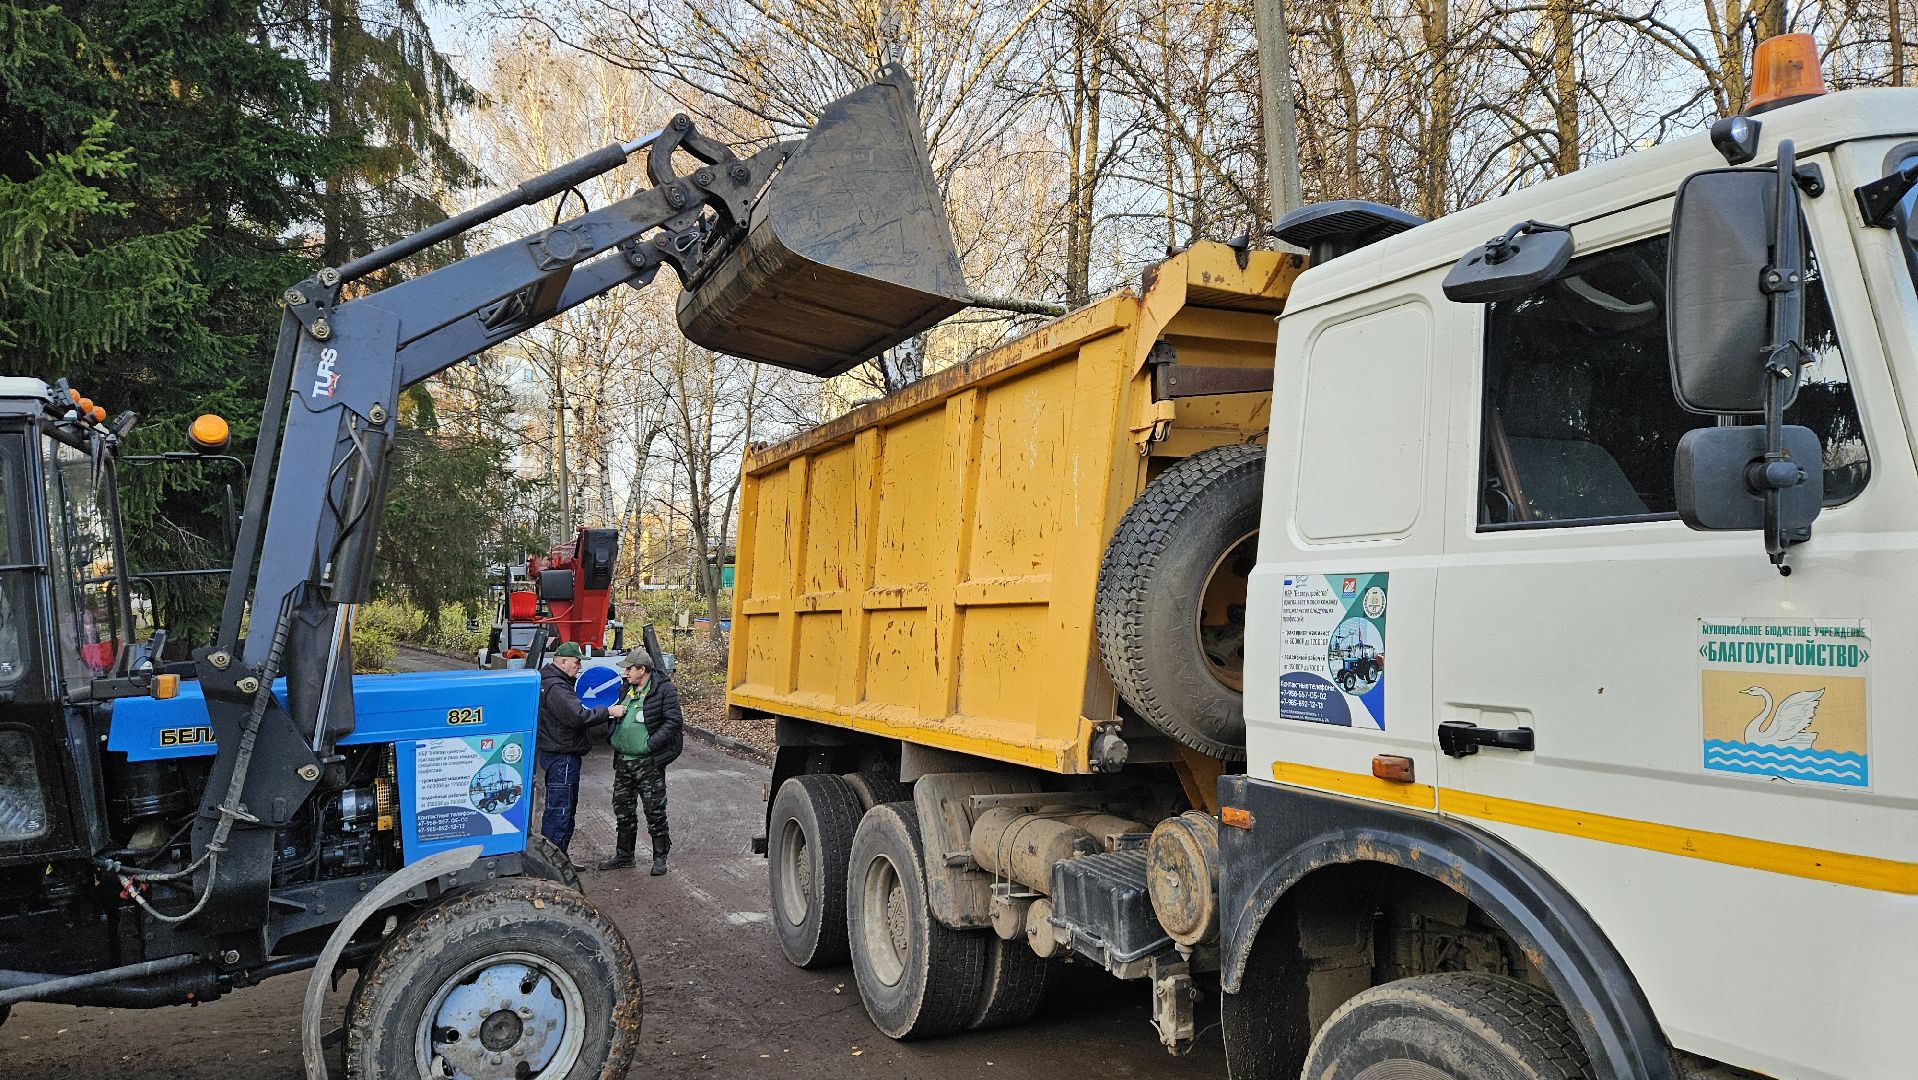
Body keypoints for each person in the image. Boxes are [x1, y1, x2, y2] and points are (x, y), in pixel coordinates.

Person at [536, 642, 624, 870]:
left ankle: (558, 860)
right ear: (562, 661)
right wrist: (608, 712)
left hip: (558, 752)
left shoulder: (552, 682)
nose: (579, 668)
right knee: (560, 810)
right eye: (576, 663)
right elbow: (577, 716)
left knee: (561, 808)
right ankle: (554, 866)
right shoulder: (557, 687)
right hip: (562, 755)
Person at [597, 649, 683, 875]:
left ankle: (660, 857)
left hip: (648, 763)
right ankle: (625, 856)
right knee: (623, 810)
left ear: (641, 670)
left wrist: (650, 745)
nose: (625, 673)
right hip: (624, 762)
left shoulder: (664, 690)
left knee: (655, 811)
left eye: (628, 669)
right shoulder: (627, 688)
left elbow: (673, 721)